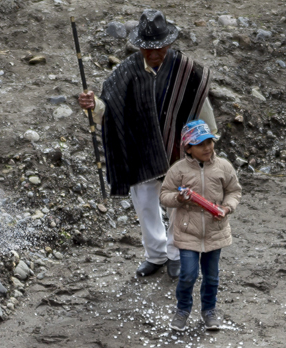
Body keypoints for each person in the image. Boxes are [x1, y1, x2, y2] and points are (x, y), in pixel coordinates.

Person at [78, 10, 215, 279]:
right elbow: (111, 110)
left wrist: (208, 142)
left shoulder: (186, 71)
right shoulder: (125, 72)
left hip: (177, 148)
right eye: (147, 47)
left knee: (179, 203)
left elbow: (201, 107)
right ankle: (155, 254)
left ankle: (176, 254)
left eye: (159, 47)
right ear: (139, 45)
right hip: (140, 149)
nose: (153, 53)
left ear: (169, 43)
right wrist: (93, 105)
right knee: (144, 204)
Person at [158, 119, 241, 333]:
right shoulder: (179, 170)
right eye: (200, 144)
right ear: (188, 148)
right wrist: (179, 198)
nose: (207, 148)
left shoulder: (223, 167)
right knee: (188, 274)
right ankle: (182, 310)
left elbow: (234, 191)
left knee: (212, 276)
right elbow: (164, 195)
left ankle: (209, 310)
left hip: (215, 231)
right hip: (188, 232)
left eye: (209, 142)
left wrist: (227, 208)